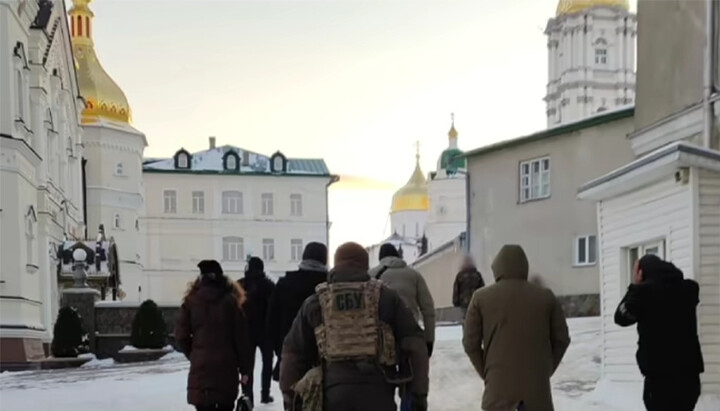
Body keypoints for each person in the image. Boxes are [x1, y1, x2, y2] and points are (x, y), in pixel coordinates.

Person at [280, 242, 430, 411]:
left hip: (332, 397)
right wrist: (418, 396)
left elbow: (292, 354)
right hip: (379, 397)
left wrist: (289, 398)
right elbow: (416, 346)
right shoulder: (387, 298)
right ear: (365, 267)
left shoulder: (316, 302)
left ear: (336, 265)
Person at [463, 245, 570, 411]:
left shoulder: (480, 298)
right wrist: (545, 370)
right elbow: (561, 339)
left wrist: (487, 372)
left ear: (497, 269)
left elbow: (470, 343)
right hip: (538, 395)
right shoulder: (546, 297)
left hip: (497, 394)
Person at [614, 254, 704, 411]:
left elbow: (621, 317)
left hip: (659, 379)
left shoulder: (644, 294)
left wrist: (634, 286)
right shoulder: (689, 289)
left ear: (641, 273)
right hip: (689, 377)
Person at [175, 260, 252, 411]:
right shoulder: (231, 302)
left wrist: (195, 354)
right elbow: (242, 339)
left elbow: (180, 335)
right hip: (226, 369)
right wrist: (245, 370)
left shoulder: (191, 302)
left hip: (201, 371)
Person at [266, 242, 329, 376]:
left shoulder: (284, 284)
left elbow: (271, 321)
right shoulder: (330, 286)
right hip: (325, 359)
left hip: (291, 357)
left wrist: (279, 351)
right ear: (324, 259)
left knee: (292, 394)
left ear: (303, 257)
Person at [369, 243, 436, 357]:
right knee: (415, 369)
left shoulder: (372, 275)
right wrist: (429, 340)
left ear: (381, 258)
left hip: (381, 333)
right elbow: (428, 309)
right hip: (410, 331)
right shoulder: (414, 275)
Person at [239, 257, 276, 405]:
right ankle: (265, 394)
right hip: (265, 332)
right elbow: (274, 309)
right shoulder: (269, 285)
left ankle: (248, 396)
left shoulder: (240, 285)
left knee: (247, 365)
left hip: (245, 331)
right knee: (267, 362)